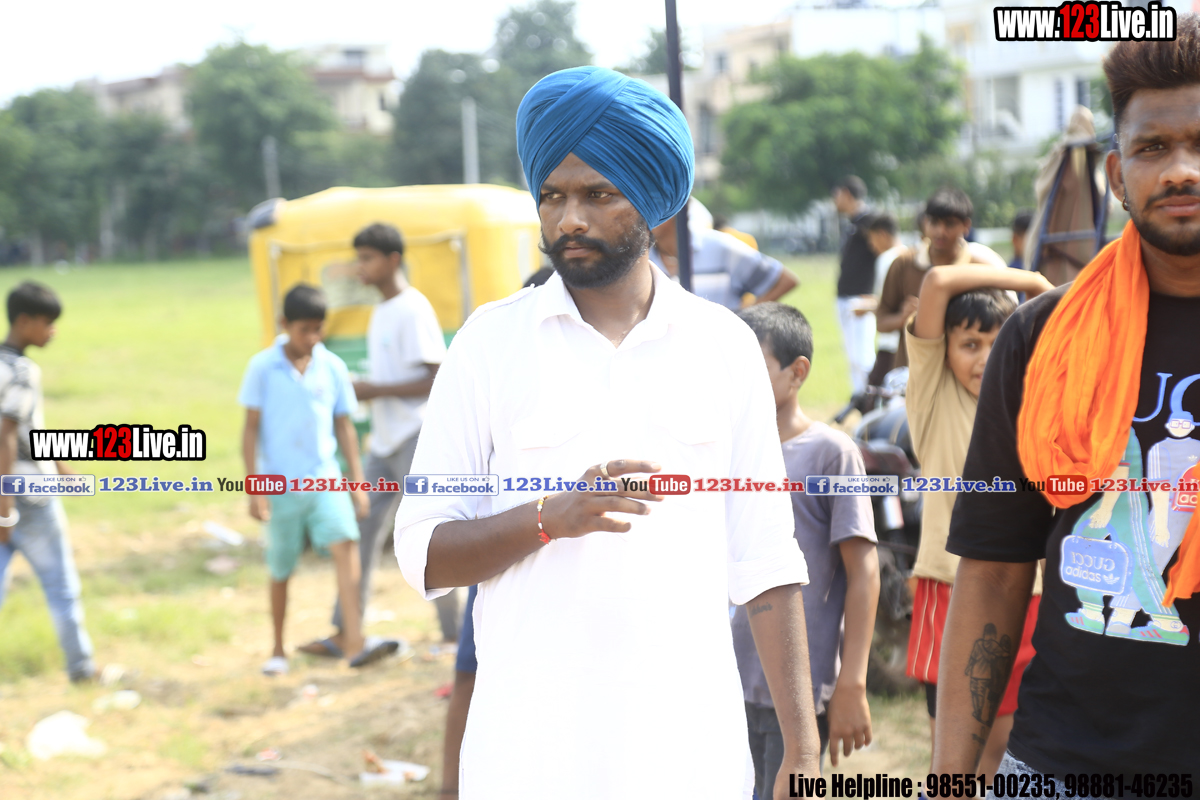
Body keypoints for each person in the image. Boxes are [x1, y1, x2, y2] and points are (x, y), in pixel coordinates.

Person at [394, 66, 821, 800]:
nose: (569, 219)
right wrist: (546, 518)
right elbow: (423, 552)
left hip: (690, 756)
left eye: (597, 195)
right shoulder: (489, 345)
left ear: (653, 203)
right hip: (530, 759)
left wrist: (803, 752)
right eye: (552, 196)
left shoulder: (723, 346)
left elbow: (766, 561)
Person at [934, 19, 1200, 779]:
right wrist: (949, 781)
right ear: (1117, 175)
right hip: (1065, 766)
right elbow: (993, 567)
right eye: (1153, 148)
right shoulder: (1043, 336)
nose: (1181, 170)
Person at [902, 263, 1053, 778]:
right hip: (951, 588)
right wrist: (1033, 282)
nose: (986, 357)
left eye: (999, 342)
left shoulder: (1029, 403)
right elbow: (938, 283)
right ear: (943, 351)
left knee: (1011, 745)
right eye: (970, 344)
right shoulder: (933, 398)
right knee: (957, 757)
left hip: (1031, 590)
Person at [730, 302, 879, 792]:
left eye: (753, 367)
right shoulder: (722, 453)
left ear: (798, 372)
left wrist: (853, 681)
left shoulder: (831, 454)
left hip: (795, 692)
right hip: (726, 681)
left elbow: (863, 572)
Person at [299, 223, 448, 660]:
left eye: (367, 258)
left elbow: (434, 378)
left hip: (414, 437)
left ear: (392, 260)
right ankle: (346, 632)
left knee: (434, 532)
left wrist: (373, 390)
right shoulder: (381, 310)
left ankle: (456, 636)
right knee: (358, 529)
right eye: (358, 258)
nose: (360, 267)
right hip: (384, 442)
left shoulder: (412, 308)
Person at [239, 284, 384, 675]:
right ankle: (277, 648)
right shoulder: (262, 368)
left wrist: (357, 483)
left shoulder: (331, 366)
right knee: (281, 567)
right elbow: (250, 429)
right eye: (305, 330)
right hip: (279, 484)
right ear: (284, 324)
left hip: (325, 478)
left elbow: (344, 426)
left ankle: (354, 642)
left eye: (319, 329)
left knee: (346, 545)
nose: (313, 338)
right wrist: (254, 488)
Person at [0, 282, 95, 683]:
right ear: (24, 321)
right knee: (61, 586)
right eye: (47, 322)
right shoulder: (22, 371)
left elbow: (27, 432)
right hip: (26, 497)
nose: (53, 331)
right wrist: (5, 509)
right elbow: (6, 436)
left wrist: (62, 469)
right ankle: (82, 669)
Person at [877, 188, 1007, 370]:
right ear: (925, 222)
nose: (940, 231)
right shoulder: (903, 264)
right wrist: (903, 318)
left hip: (965, 373)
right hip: (913, 371)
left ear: (966, 226)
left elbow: (1001, 324)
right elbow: (881, 322)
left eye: (949, 224)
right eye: (934, 222)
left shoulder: (980, 268)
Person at [648, 214, 797, 310]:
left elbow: (784, 280)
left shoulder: (721, 247)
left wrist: (745, 321)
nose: (643, 213)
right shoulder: (641, 255)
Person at [832, 176, 877, 395]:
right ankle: (859, 397)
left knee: (863, 355)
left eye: (837, 194)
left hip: (861, 297)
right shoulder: (852, 223)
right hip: (846, 296)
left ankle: (870, 396)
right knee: (853, 355)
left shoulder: (869, 221)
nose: (835, 199)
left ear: (847, 194)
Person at [866, 213, 904, 387]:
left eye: (872, 239)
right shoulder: (910, 256)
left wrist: (865, 307)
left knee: (876, 391)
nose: (871, 245)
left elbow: (884, 303)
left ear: (882, 234)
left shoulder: (886, 259)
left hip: (889, 339)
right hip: (906, 341)